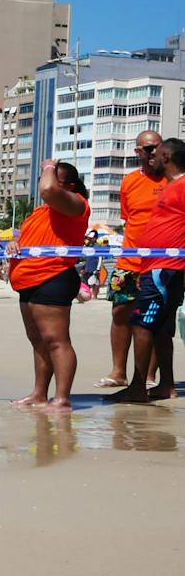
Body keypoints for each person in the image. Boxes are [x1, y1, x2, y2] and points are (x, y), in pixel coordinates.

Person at [108, 137, 185, 404]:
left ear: (166, 157)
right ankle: (166, 385)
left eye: (158, 151)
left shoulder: (182, 185)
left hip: (166, 270)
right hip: (154, 268)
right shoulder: (169, 186)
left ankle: (138, 387)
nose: (153, 156)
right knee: (162, 329)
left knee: (142, 325)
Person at [9, 160, 91, 411]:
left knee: (56, 340)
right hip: (28, 280)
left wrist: (48, 166)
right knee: (38, 341)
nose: (47, 180)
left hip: (53, 276)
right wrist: (14, 245)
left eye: (55, 177)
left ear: (69, 185)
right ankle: (39, 393)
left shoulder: (76, 204)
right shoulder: (40, 212)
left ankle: (62, 398)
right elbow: (31, 239)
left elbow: (48, 190)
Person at [102, 130, 167, 388]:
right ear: (137, 152)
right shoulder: (129, 181)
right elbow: (129, 218)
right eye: (147, 149)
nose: (153, 153)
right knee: (120, 312)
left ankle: (149, 376)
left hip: (161, 261)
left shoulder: (173, 180)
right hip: (129, 260)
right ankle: (119, 371)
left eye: (157, 148)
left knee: (154, 318)